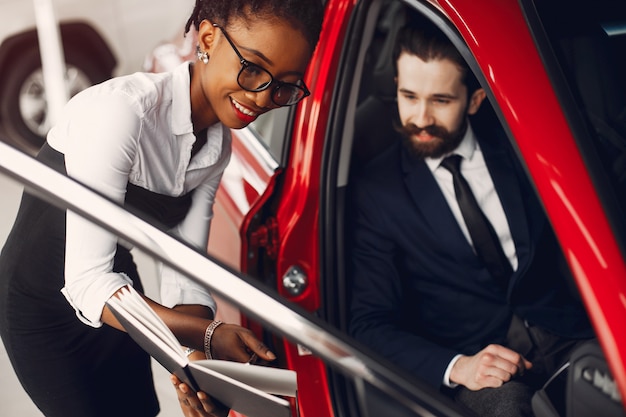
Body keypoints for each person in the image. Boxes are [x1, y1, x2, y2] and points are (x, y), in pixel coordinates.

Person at [0, 0, 324, 416]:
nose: (262, 97)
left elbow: (185, 273)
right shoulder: (120, 114)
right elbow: (85, 282)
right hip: (43, 310)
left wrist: (198, 369)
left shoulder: (216, 146)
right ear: (207, 38)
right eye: (254, 70)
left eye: (284, 85)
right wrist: (208, 336)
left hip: (122, 296)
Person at [348, 14, 594, 417]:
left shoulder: (521, 146)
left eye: (441, 100)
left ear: (476, 99)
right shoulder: (377, 192)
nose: (421, 117)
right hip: (475, 364)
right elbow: (368, 324)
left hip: (568, 334)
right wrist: (458, 367)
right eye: (409, 96)